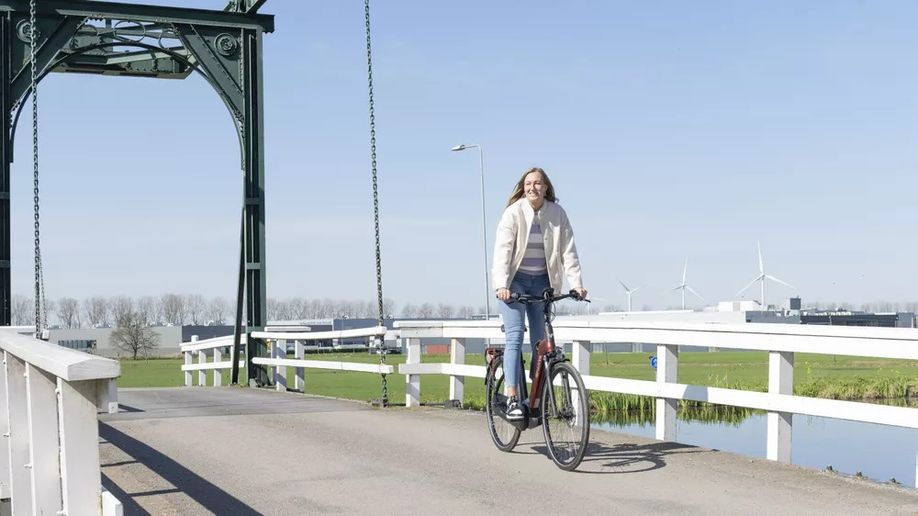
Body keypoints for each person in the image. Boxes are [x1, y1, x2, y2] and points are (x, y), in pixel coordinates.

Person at [492, 166, 587, 419]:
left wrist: (576, 284)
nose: (532, 187)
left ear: (546, 188)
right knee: (514, 337)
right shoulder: (513, 213)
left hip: (543, 282)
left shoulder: (557, 213)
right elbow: (502, 251)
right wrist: (502, 285)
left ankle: (536, 398)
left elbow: (568, 251)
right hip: (515, 282)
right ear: (523, 188)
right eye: (528, 184)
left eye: (537, 183)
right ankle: (513, 398)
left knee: (540, 343)